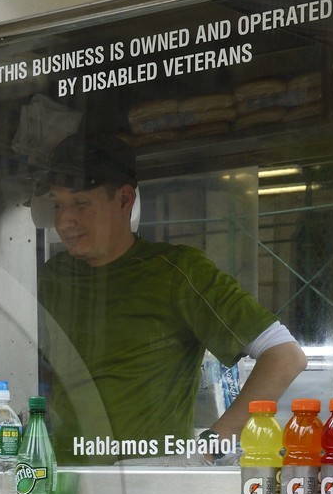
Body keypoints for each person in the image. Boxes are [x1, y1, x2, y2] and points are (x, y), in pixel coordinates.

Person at [33, 133, 308, 462]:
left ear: (123, 200)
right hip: (62, 480)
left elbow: (285, 356)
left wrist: (210, 448)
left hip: (149, 481)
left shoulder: (177, 272)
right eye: (58, 204)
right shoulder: (53, 276)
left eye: (80, 203)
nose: (65, 220)